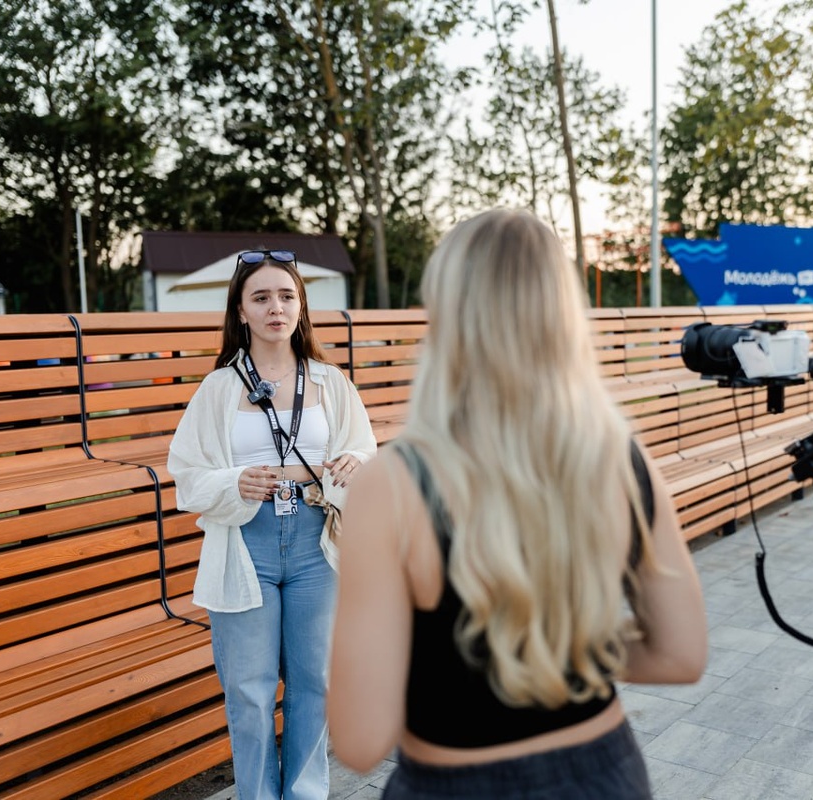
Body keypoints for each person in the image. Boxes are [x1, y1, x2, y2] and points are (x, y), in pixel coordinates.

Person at [327, 209, 708, 799]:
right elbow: (680, 655)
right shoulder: (618, 457)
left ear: (447, 316)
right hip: (605, 775)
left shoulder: (392, 483)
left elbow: (359, 741)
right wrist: (552, 647)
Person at [168, 249, 376, 800]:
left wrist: (353, 461)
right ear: (241, 311)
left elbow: (365, 450)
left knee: (316, 681)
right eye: (260, 298)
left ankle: (305, 793)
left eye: (286, 296)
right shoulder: (218, 388)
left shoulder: (329, 381)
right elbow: (186, 474)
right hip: (245, 543)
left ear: (301, 306)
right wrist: (233, 482)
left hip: (316, 542)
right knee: (250, 690)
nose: (275, 308)